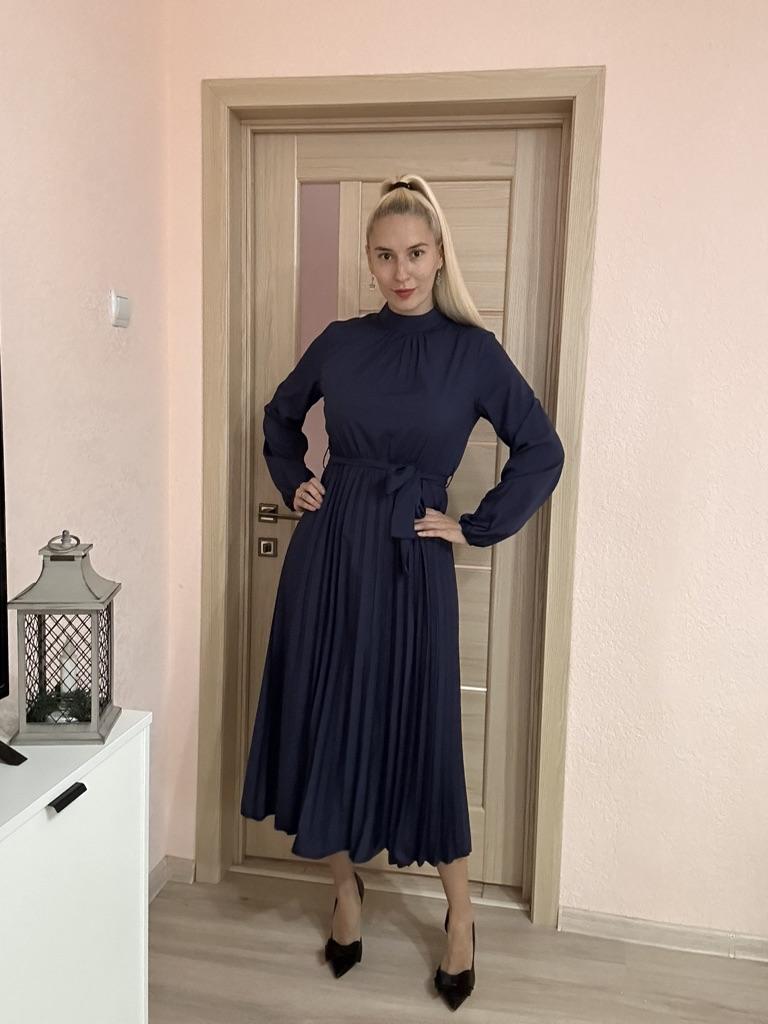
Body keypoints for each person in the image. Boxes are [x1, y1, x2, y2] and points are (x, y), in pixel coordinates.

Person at [240, 173, 565, 1010]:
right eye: (385, 255)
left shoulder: (473, 353)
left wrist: (476, 526)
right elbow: (279, 416)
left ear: (439, 254)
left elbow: (541, 449)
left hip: (412, 558)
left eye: (415, 253)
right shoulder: (341, 342)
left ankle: (461, 913)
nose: (401, 271)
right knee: (322, 715)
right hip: (329, 552)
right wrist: (294, 478)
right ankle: (344, 889)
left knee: (422, 729)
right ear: (369, 259)